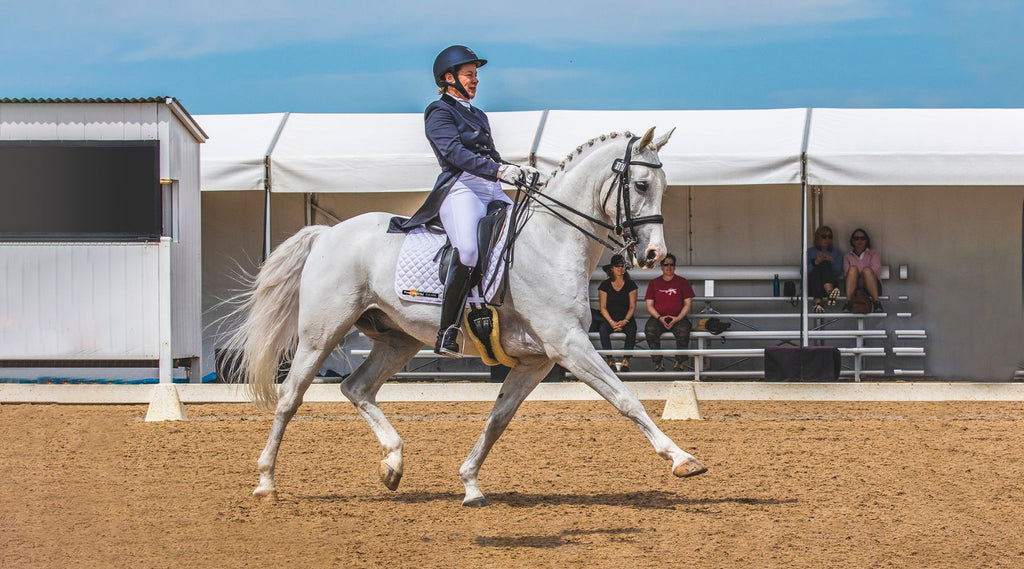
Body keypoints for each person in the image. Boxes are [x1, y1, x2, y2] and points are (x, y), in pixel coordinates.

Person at [393, 45, 539, 358]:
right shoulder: (439, 111)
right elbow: (455, 154)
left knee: (526, 234)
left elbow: (491, 154)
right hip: (460, 187)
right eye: (469, 75)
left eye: (476, 76)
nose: (475, 81)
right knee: (469, 250)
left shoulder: (479, 115)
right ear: (449, 78)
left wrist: (514, 170)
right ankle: (448, 330)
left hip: (490, 186)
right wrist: (499, 170)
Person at [644, 253, 695, 371]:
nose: (669, 267)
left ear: (675, 266)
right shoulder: (654, 283)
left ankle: (679, 362)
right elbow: (649, 305)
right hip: (658, 318)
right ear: (661, 267)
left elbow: (687, 303)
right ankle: (658, 362)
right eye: (665, 264)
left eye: (671, 264)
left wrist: (678, 318)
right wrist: (659, 317)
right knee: (650, 331)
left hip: (678, 318)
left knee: (683, 332)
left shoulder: (682, 282)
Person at [597, 254, 638, 372]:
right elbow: (603, 307)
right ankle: (610, 359)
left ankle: (626, 360)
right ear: (612, 268)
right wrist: (611, 322)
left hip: (626, 317)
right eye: (617, 266)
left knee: (632, 330)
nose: (619, 269)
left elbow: (632, 307)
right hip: (609, 317)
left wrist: (624, 321)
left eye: (622, 266)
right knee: (603, 329)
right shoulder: (604, 285)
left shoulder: (631, 285)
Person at [842, 228, 884, 313]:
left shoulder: (872, 253)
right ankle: (848, 302)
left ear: (866, 240)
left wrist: (862, 275)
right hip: (854, 288)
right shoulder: (847, 256)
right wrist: (859, 276)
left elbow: (876, 270)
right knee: (853, 269)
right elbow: (847, 273)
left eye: (862, 238)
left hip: (872, 286)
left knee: (867, 271)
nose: (859, 241)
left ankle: (877, 303)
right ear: (852, 241)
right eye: (856, 238)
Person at [806, 225, 843, 313]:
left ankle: (818, 303)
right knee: (819, 268)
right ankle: (830, 291)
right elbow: (803, 272)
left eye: (830, 237)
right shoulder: (810, 252)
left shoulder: (837, 253)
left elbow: (838, 273)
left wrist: (832, 261)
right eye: (824, 237)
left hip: (831, 283)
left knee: (826, 263)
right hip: (813, 285)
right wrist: (816, 262)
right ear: (818, 237)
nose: (827, 239)